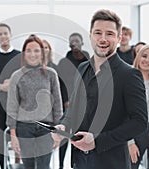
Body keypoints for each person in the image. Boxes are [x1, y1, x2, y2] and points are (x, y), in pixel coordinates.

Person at [55, 9, 148, 169]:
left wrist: (97, 141)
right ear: (91, 35)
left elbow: (139, 122)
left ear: (119, 38)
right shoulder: (83, 68)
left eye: (110, 34)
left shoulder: (130, 75)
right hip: (79, 161)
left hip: (111, 162)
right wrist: (63, 126)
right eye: (98, 32)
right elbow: (73, 109)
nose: (103, 39)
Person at [6, 34, 63, 169]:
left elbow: (58, 105)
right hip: (24, 128)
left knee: (44, 166)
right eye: (29, 51)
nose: (33, 54)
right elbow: (12, 107)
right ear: (24, 54)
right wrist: (13, 135)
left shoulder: (51, 74)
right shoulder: (17, 76)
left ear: (42, 53)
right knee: (29, 166)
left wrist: (58, 132)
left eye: (36, 50)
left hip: (46, 128)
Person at [0, 23, 21, 169]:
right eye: (0, 34)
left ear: (10, 34)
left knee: (19, 138)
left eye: (5, 33)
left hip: (19, 105)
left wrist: (13, 84)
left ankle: (18, 164)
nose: (3, 36)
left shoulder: (20, 56)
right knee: (1, 140)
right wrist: (0, 87)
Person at [57, 32, 90, 169]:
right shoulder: (64, 62)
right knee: (64, 135)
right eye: (72, 41)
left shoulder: (88, 60)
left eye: (77, 41)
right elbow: (60, 83)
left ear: (82, 43)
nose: (74, 43)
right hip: (67, 104)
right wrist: (65, 100)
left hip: (84, 104)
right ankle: (60, 165)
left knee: (79, 135)